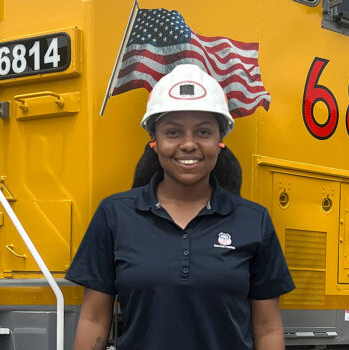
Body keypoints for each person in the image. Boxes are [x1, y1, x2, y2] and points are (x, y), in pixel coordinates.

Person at [66, 64, 295, 350]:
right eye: (173, 133)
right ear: (155, 142)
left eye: (203, 132)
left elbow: (267, 328)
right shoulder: (115, 215)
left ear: (220, 141)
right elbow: (94, 319)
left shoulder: (254, 220)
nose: (189, 144)